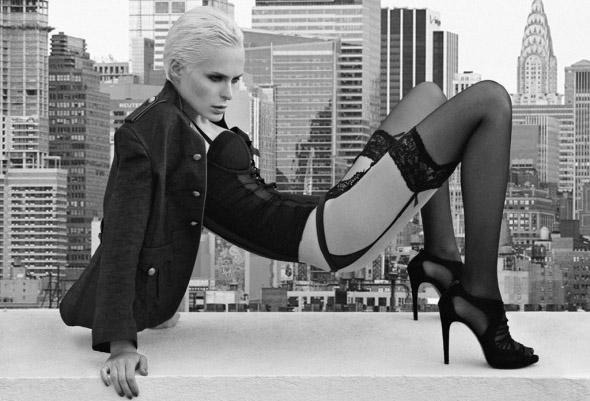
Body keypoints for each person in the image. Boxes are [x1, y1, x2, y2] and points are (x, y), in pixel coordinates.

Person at [59, 6, 538, 399]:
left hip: (328, 207)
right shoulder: (149, 131)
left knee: (429, 95)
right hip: (331, 234)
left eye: (235, 79)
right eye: (216, 78)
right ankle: (479, 297)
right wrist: (121, 343)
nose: (227, 93)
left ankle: (441, 260)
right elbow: (121, 236)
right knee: (490, 101)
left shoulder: (195, 112)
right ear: (176, 70)